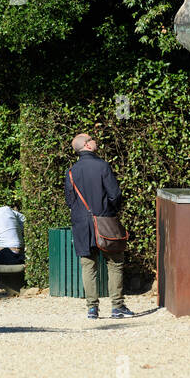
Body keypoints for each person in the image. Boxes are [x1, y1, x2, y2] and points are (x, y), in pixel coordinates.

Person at [66, 133, 133, 319]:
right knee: (115, 263)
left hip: (81, 225)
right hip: (104, 221)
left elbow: (70, 201)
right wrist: (110, 212)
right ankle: (117, 306)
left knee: (88, 266)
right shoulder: (102, 166)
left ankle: (92, 309)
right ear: (87, 145)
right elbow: (115, 195)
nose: (95, 141)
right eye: (92, 139)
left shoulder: (71, 171)